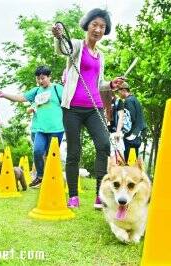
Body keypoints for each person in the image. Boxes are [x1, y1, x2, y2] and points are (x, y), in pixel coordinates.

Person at [52, 8, 125, 208]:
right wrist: (58, 37)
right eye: (95, 25)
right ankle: (73, 195)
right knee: (74, 152)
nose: (98, 29)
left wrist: (111, 85)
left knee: (103, 145)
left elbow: (98, 82)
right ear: (87, 25)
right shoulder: (77, 45)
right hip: (72, 108)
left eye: (102, 26)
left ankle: (100, 196)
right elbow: (62, 49)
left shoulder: (100, 56)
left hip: (95, 108)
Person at [0, 65, 64, 188]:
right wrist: (3, 94)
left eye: (43, 78)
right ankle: (40, 176)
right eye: (38, 79)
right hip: (40, 129)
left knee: (51, 156)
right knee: (37, 151)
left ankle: (53, 180)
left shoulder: (58, 89)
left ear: (49, 77)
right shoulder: (36, 91)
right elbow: (19, 98)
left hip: (57, 128)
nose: (40, 81)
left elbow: (69, 103)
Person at [117, 83, 146, 162]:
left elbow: (130, 119)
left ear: (123, 90)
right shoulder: (135, 99)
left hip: (131, 134)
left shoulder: (128, 101)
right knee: (134, 161)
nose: (118, 94)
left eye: (118, 91)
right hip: (137, 133)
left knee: (128, 162)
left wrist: (122, 131)